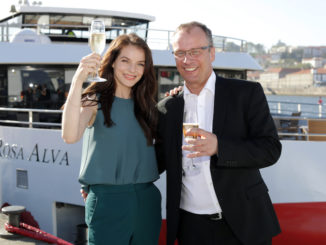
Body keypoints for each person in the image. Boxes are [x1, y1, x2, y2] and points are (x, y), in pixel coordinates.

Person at [155, 21, 282, 245]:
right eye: (180, 53)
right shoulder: (168, 107)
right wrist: (99, 183)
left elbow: (270, 150)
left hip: (245, 226)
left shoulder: (246, 93)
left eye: (195, 51)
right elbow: (155, 161)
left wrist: (219, 147)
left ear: (211, 53)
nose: (187, 60)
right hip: (191, 228)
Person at [62, 33, 161, 245]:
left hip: (147, 200)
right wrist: (78, 79)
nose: (132, 70)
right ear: (113, 61)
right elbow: (69, 136)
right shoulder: (93, 99)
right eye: (125, 61)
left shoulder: (147, 105)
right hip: (108, 201)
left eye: (140, 64)